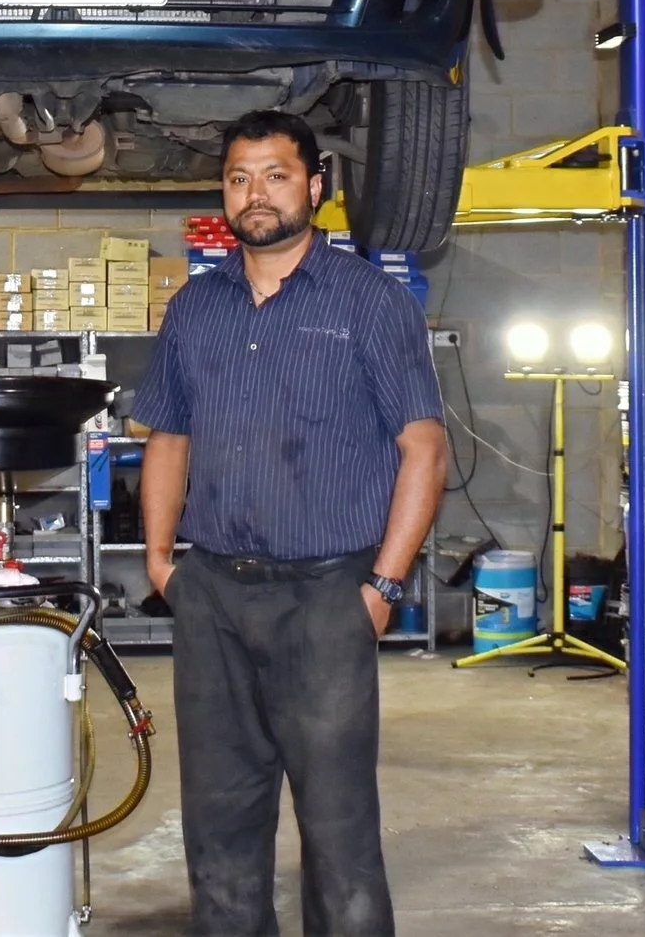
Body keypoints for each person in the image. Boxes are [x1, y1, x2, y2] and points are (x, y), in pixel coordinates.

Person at [130, 109, 449, 937]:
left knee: (339, 834)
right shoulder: (196, 309)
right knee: (220, 827)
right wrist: (165, 565)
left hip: (327, 598)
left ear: (314, 186)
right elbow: (168, 435)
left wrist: (381, 586)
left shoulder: (369, 301)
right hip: (215, 596)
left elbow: (426, 449)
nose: (255, 193)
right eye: (238, 178)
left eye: (274, 175)